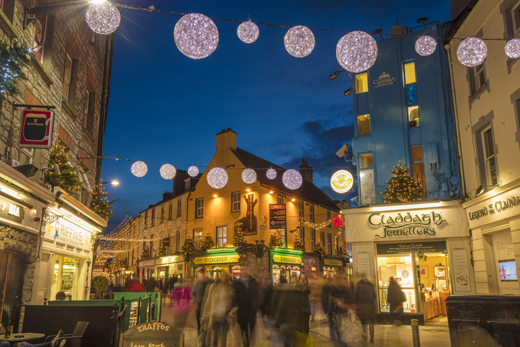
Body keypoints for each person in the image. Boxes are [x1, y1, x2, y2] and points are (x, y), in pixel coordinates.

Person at [200, 272, 234, 347]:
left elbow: (231, 303)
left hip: (223, 317)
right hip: (214, 316)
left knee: (223, 340)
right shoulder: (213, 287)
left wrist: (231, 314)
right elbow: (208, 302)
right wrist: (204, 316)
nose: (224, 278)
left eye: (226, 276)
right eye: (223, 276)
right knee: (214, 339)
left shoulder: (229, 289)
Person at [232, 266, 258, 347]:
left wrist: (257, 307)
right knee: (244, 331)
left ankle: (252, 344)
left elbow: (257, 295)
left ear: (249, 270)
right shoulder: (236, 283)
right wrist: (234, 308)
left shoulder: (253, 282)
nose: (244, 271)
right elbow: (234, 296)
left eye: (246, 269)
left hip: (252, 310)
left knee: (253, 331)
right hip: (241, 311)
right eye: (242, 270)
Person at [355, 274, 376, 342]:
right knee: (371, 321)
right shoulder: (371, 285)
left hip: (362, 306)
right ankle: (372, 336)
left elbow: (356, 297)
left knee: (363, 322)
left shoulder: (358, 286)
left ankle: (365, 335)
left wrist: (356, 306)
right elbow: (374, 296)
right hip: (370, 305)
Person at [192, 268, 213, 333]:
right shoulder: (197, 283)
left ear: (205, 273)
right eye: (199, 274)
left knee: (208, 325)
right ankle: (200, 338)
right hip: (199, 307)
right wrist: (195, 301)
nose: (199, 275)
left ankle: (206, 339)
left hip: (209, 308)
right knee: (199, 324)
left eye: (200, 273)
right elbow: (193, 294)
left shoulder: (211, 282)